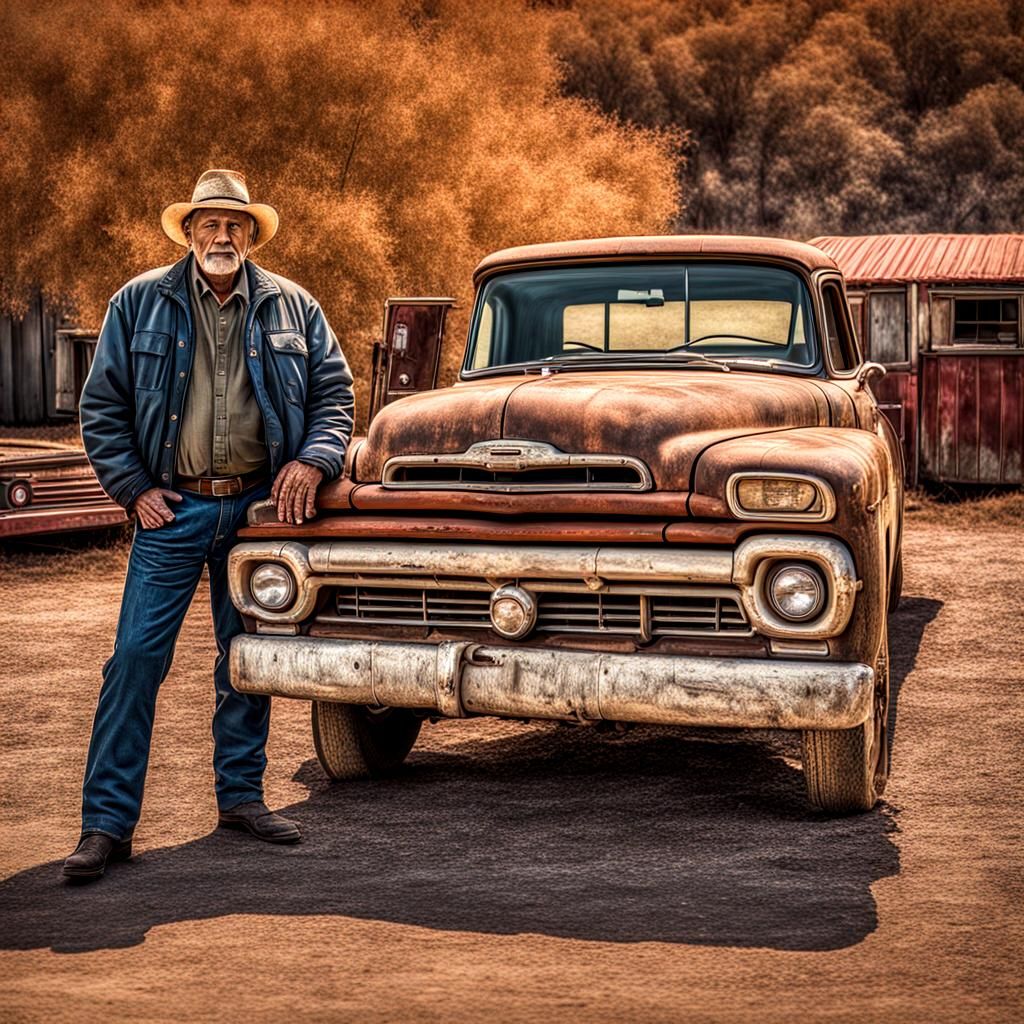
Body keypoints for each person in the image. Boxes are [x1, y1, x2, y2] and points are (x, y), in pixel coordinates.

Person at [64, 169, 354, 882]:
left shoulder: (294, 306)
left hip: (255, 513)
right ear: (189, 231)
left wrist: (312, 462)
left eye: (234, 225)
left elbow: (334, 396)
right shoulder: (138, 302)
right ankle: (106, 825)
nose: (222, 236)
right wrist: (133, 489)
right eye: (210, 224)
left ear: (251, 234)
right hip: (171, 509)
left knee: (245, 658)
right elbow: (101, 408)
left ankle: (241, 799)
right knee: (135, 660)